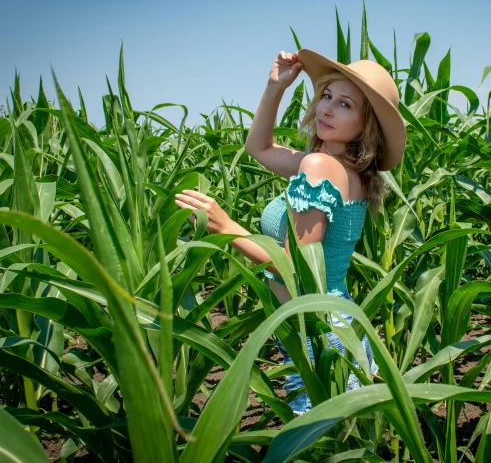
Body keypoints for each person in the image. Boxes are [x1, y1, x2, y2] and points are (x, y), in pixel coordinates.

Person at [174, 49, 406, 414]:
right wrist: (276, 86)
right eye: (326, 96)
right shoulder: (340, 168)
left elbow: (292, 268)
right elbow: (259, 147)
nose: (326, 109)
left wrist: (225, 227)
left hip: (319, 334)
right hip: (324, 325)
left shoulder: (319, 167)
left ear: (368, 124)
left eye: (345, 104)